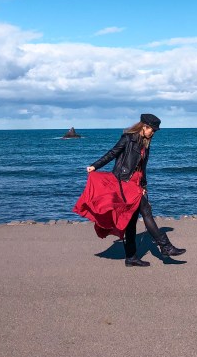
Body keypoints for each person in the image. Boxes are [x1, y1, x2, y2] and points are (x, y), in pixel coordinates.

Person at [72, 113, 186, 267]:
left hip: (136, 183)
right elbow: (112, 153)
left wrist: (143, 186)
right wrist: (95, 166)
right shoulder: (128, 138)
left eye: (155, 131)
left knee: (131, 221)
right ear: (144, 126)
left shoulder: (145, 144)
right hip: (124, 183)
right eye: (152, 130)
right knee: (146, 211)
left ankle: (131, 257)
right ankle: (166, 246)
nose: (153, 133)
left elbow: (142, 168)